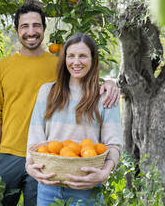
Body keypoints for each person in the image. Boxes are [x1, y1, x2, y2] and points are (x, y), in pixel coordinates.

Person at [0, 4, 120, 206]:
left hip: (53, 161)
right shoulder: (5, 68)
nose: (30, 31)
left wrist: (110, 83)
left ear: (44, 28)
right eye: (24, 26)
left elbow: (81, 75)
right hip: (13, 155)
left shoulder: (57, 64)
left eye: (36, 25)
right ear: (16, 30)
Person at [26, 33, 123, 206]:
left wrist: (103, 174)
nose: (76, 62)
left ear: (93, 59)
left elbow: (113, 145)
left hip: (87, 187)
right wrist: (29, 167)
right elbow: (35, 138)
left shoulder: (105, 96)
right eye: (71, 56)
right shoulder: (47, 92)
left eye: (83, 56)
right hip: (49, 187)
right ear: (64, 59)